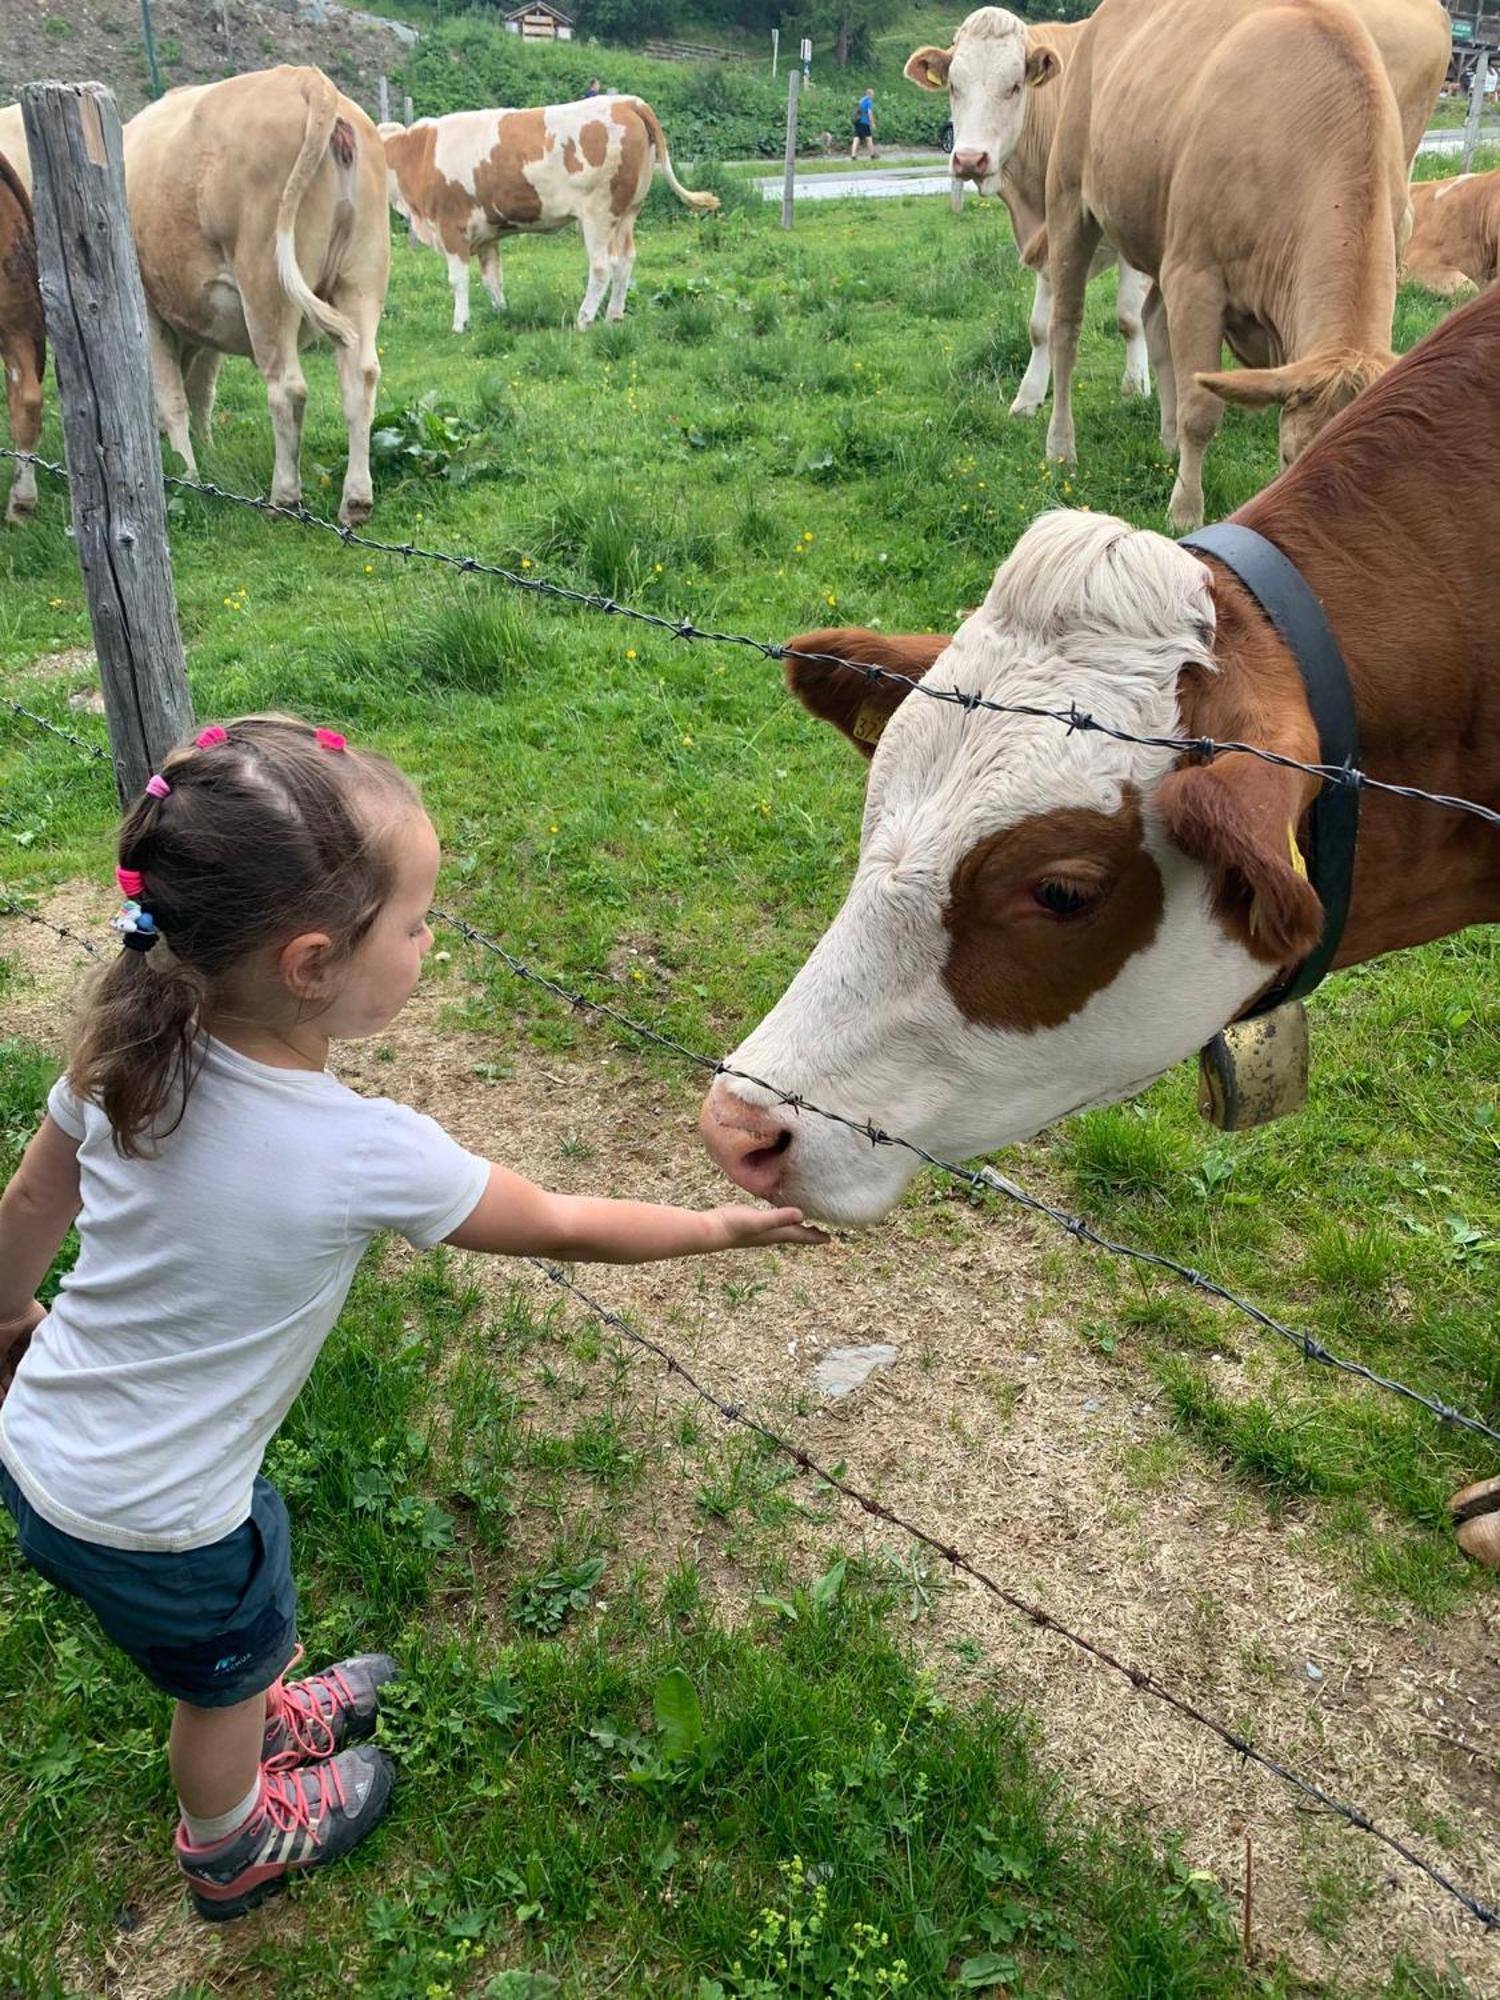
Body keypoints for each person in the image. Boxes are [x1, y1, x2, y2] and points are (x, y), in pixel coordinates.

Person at [0, 716, 824, 1922]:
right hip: (164, 1518)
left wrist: (9, 1309)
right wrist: (718, 1228)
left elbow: (31, 1197)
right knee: (214, 1683)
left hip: (41, 1443)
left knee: (240, 1609)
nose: (432, 941)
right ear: (312, 963)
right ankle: (230, 1841)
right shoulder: (358, 1151)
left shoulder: (127, 1050)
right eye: (419, 922)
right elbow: (561, 1222)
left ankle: (257, 1699)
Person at [850, 86, 876, 161]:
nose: (873, 96)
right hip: (864, 122)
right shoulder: (869, 101)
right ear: (869, 94)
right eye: (873, 95)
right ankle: (872, 155)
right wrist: (872, 123)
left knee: (856, 138)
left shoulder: (861, 100)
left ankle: (853, 155)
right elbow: (869, 113)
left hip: (857, 121)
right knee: (869, 138)